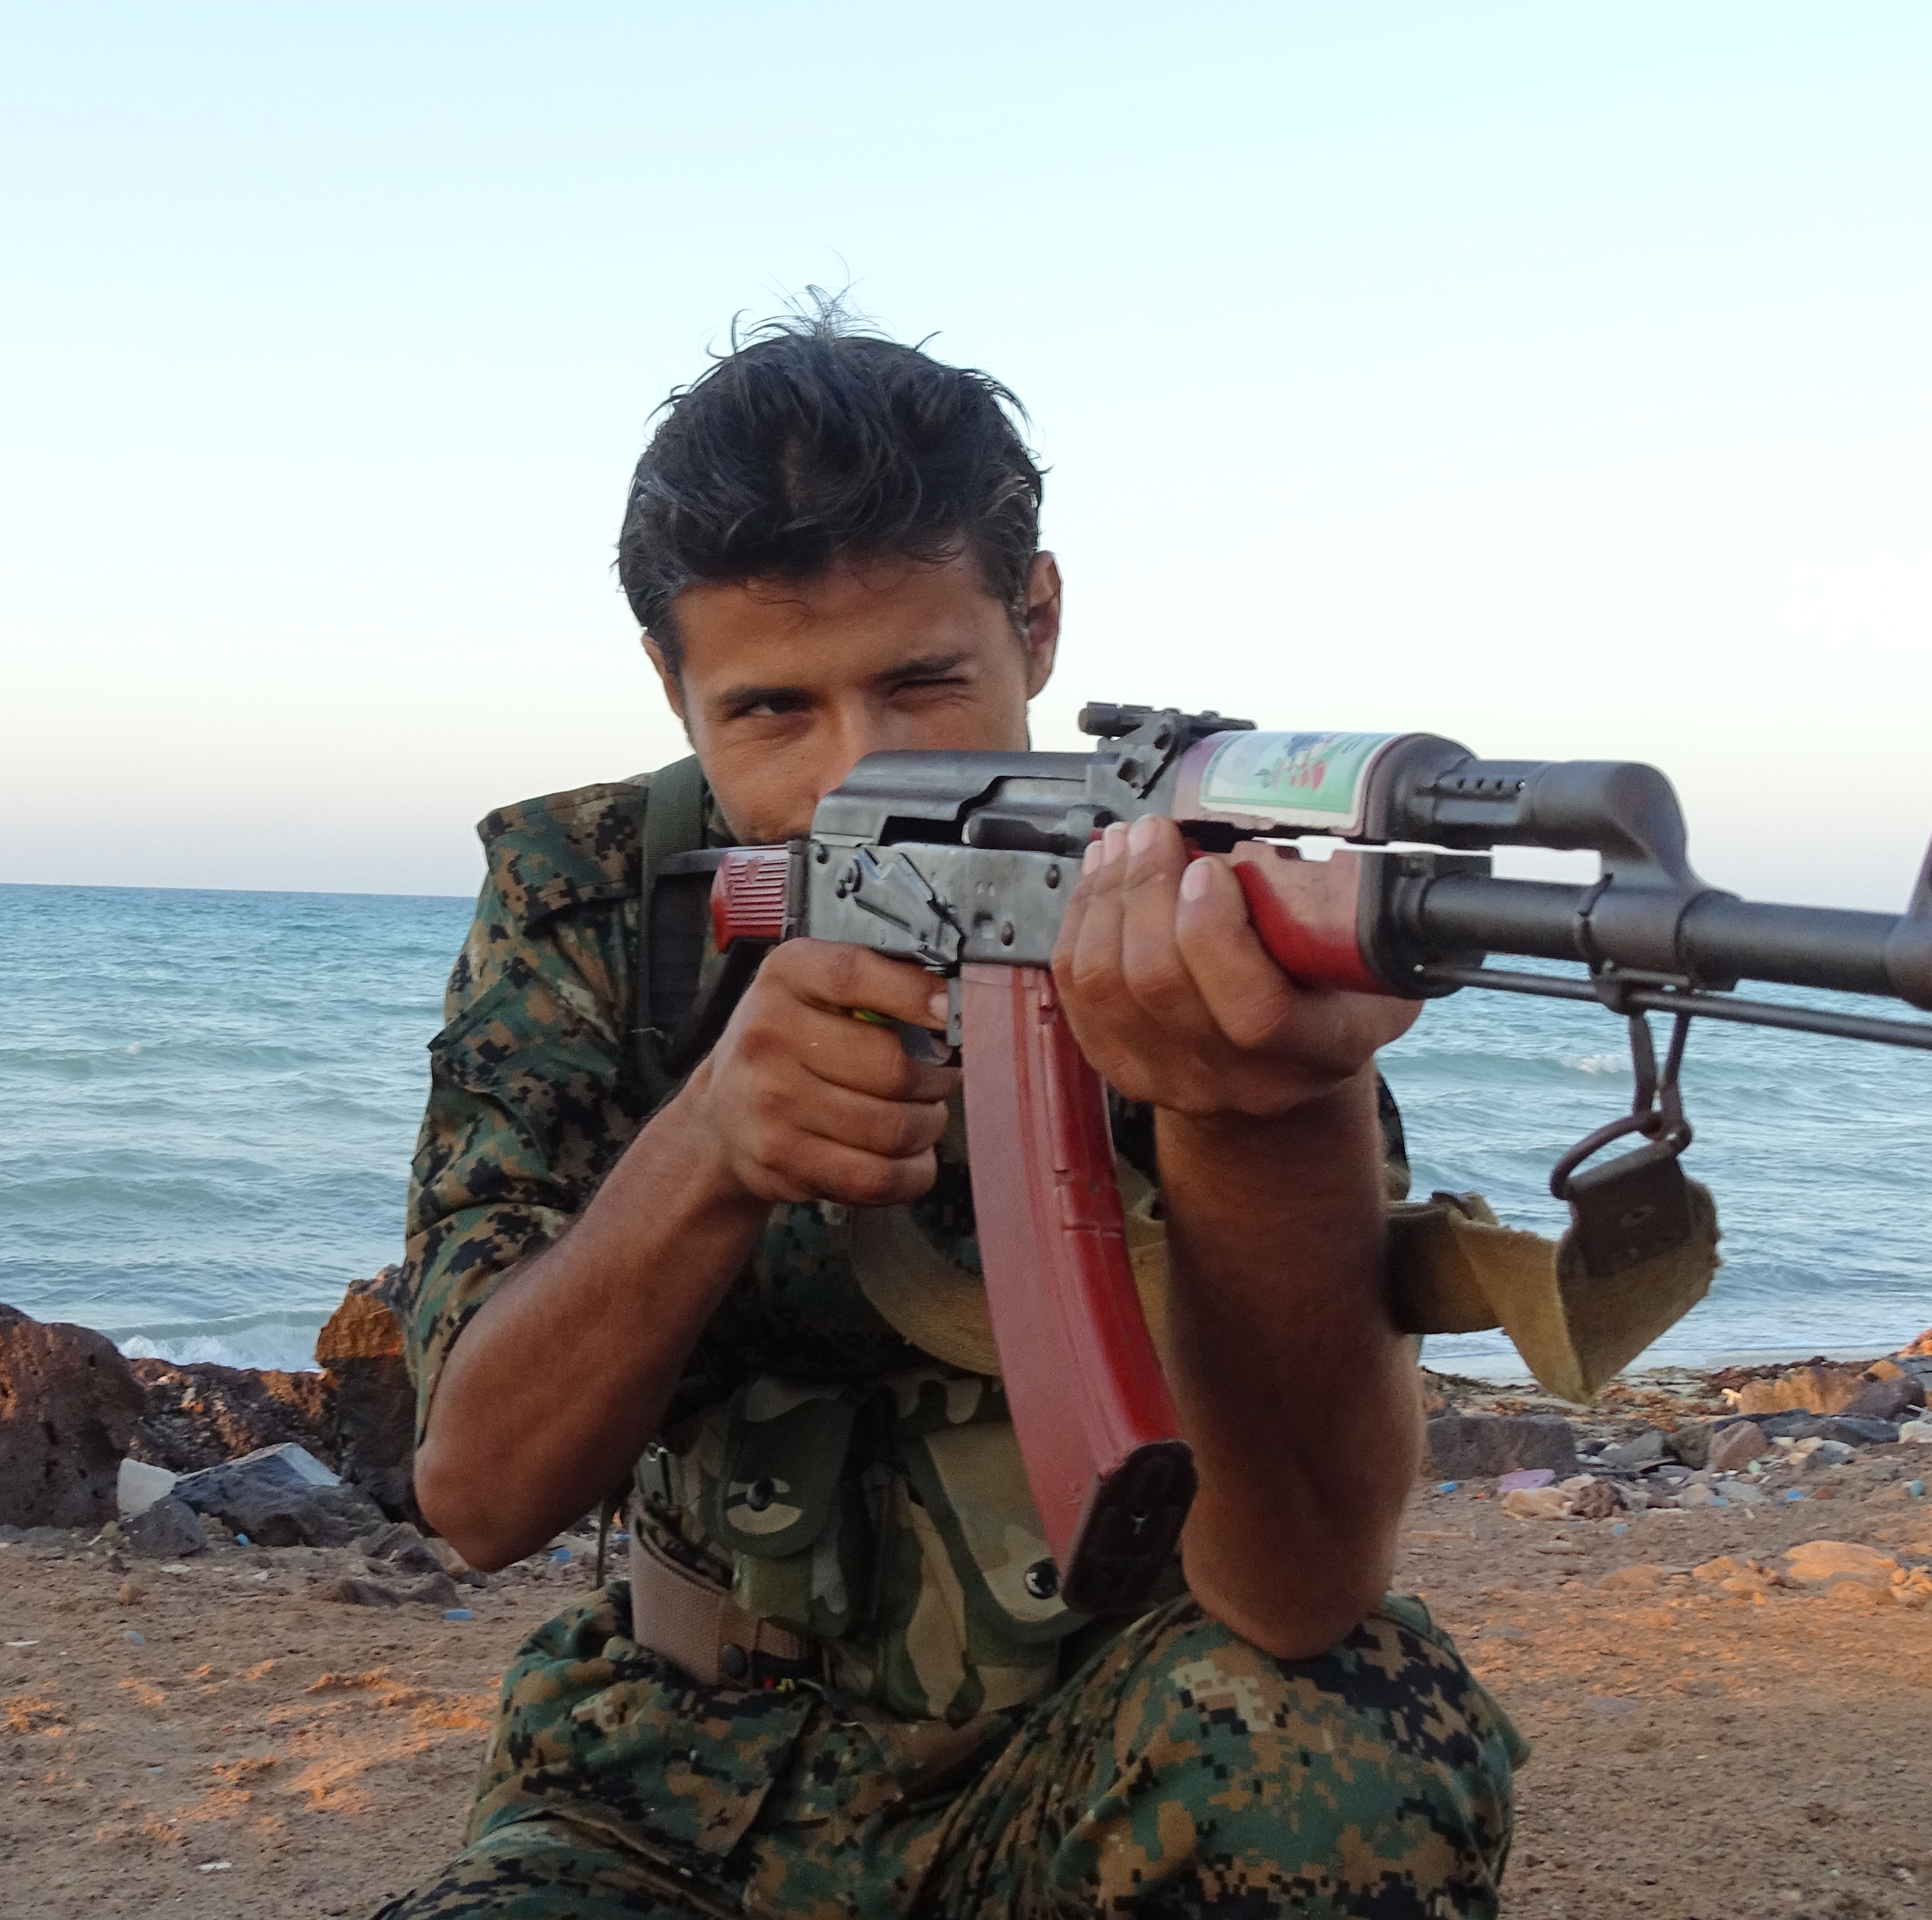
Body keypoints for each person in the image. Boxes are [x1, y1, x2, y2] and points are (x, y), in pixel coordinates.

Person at [382, 309, 1521, 1919]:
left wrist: (1270, 1113)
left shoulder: (1175, 893)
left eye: (924, 681)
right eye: (773, 710)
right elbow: (480, 1491)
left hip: (1101, 1753)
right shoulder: (596, 905)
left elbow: (1303, 1585)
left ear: (1035, 619)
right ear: (670, 682)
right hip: (667, 1787)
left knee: (1347, 1745)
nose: (861, 765)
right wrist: (709, 1149)